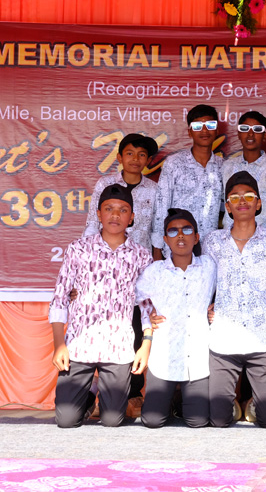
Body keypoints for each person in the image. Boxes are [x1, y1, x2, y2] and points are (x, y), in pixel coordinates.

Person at [49, 184, 153, 427]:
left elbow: (147, 304)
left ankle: (100, 391)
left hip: (118, 347)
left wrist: (146, 345)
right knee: (66, 420)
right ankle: (89, 392)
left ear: (132, 217)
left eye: (122, 210)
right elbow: (60, 296)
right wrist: (59, 344)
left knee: (112, 420)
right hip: (79, 344)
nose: (115, 215)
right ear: (98, 214)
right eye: (109, 209)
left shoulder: (141, 255)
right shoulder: (78, 249)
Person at [203, 171, 266, 428]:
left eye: (249, 196)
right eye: (235, 197)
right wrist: (209, 305)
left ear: (258, 204)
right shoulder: (213, 241)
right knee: (218, 420)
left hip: (260, 338)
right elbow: (206, 281)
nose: (242, 201)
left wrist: (258, 300)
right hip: (223, 340)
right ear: (227, 206)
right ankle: (233, 405)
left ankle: (253, 404)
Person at [83, 132, 159, 406]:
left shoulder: (154, 190)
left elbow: (156, 231)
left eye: (141, 155)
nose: (135, 159)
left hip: (139, 267)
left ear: (148, 160)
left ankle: (133, 393)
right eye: (130, 153)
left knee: (136, 325)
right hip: (104, 266)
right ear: (119, 157)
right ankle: (94, 388)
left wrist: (157, 268)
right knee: (100, 323)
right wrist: (87, 265)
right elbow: (92, 224)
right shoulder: (105, 184)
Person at [137, 208, 216, 428]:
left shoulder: (209, 266)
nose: (180, 235)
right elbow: (133, 298)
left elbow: (229, 288)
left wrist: (216, 309)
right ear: (165, 240)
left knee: (198, 421)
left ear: (196, 237)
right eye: (173, 231)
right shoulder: (155, 271)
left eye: (186, 230)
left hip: (197, 360)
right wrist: (148, 319)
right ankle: (171, 399)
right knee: (152, 421)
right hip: (164, 358)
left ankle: (181, 398)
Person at [152, 104, 224, 261]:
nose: (204, 131)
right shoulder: (174, 163)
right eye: (198, 126)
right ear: (189, 131)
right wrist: (157, 250)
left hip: (210, 250)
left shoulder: (223, 167)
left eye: (210, 125)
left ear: (217, 130)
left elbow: (228, 208)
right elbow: (162, 206)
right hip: (176, 246)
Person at [221, 111, 266, 240]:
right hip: (230, 239)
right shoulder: (227, 167)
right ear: (238, 134)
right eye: (245, 129)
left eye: (257, 129)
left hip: (264, 239)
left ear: (265, 135)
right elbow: (221, 205)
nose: (250, 134)